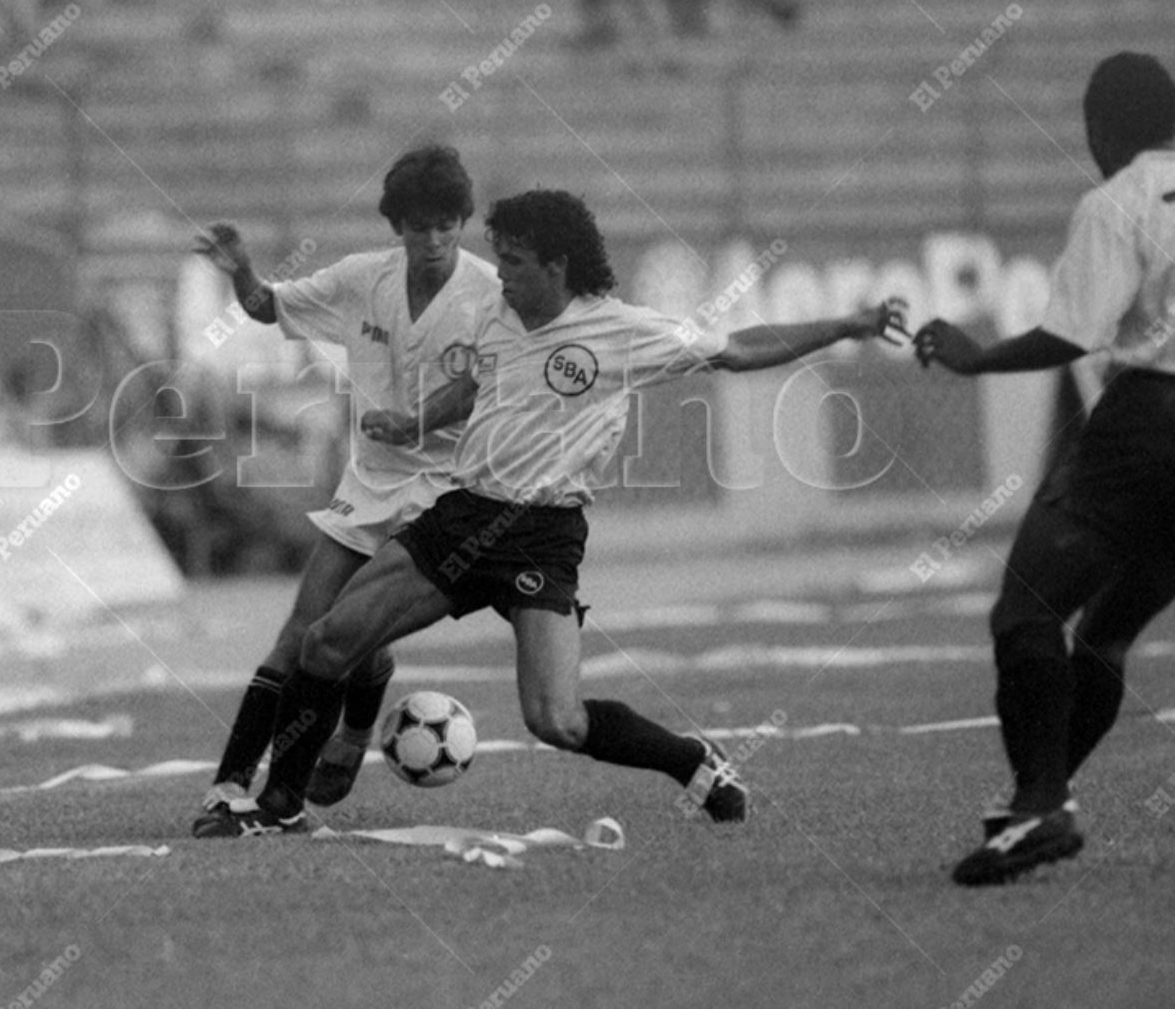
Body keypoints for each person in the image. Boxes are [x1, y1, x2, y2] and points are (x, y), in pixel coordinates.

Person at [210, 189, 907, 835]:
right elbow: (473, 383)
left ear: (556, 264)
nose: (499, 274)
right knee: (328, 640)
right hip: (462, 516)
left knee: (557, 719)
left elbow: (741, 348)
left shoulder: (622, 330)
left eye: (512, 261)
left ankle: (693, 759)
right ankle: (279, 804)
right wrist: (415, 422)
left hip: (541, 538)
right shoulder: (496, 310)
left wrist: (848, 323)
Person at [912, 51, 1175, 886]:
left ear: (1104, 127)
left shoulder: (1121, 200)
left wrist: (975, 356)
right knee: (1107, 627)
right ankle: (1043, 797)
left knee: (1025, 609)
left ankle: (1040, 802)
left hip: (1147, 429)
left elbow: (1074, 333)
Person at [187, 145, 500, 837]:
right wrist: (242, 269)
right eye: (419, 225)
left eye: (447, 223)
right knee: (303, 630)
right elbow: (268, 307)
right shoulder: (365, 278)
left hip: (446, 495)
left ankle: (308, 772)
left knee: (342, 633)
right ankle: (231, 784)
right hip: (370, 483)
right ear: (398, 225)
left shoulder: (490, 295)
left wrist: (416, 420)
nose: (433, 238)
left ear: (462, 221)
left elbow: (489, 388)